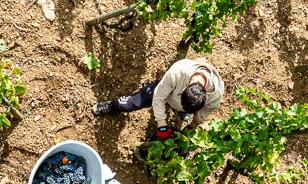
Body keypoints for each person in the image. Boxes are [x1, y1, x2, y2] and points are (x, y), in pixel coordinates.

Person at [92, 58, 224, 139]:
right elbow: (158, 98)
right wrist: (162, 125)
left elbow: (205, 111)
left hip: (186, 102)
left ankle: (185, 112)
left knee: (186, 112)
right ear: (183, 90)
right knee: (133, 102)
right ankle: (113, 105)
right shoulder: (177, 73)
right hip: (166, 91)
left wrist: (192, 125)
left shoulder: (216, 95)